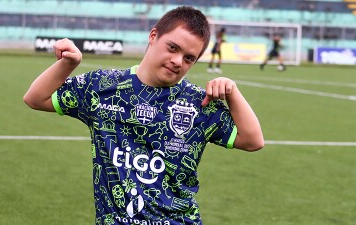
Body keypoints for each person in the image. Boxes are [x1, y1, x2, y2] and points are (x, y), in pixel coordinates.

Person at [24, 6, 264, 225]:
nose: (177, 61)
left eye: (189, 58)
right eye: (173, 47)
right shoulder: (102, 87)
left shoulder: (198, 103)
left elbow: (253, 141)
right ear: (153, 36)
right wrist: (69, 64)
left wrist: (232, 92)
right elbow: (35, 98)